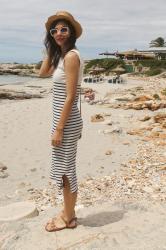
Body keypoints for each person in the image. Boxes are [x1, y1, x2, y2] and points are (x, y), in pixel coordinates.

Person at [39, 11, 84, 231]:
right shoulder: (62, 56)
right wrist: (51, 48)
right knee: (65, 167)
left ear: (72, 32)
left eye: (64, 29)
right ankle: (70, 213)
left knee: (66, 170)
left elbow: (70, 96)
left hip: (65, 123)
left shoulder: (71, 57)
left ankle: (67, 219)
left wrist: (58, 129)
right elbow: (42, 73)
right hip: (62, 120)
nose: (59, 33)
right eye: (54, 30)